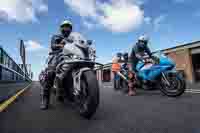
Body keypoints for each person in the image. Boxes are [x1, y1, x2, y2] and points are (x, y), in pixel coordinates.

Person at [40, 20, 73, 110]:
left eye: (68, 26)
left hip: (71, 56)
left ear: (71, 29)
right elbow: (53, 45)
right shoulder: (57, 36)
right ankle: (45, 98)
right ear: (61, 28)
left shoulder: (73, 38)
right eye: (65, 26)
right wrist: (60, 45)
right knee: (51, 73)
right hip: (58, 55)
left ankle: (69, 92)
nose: (66, 28)